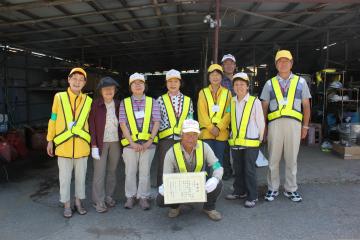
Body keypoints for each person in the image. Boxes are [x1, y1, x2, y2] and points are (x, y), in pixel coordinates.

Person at [260, 50, 311, 202]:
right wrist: (264, 128)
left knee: (291, 158)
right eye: (280, 61)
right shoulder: (269, 83)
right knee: (273, 158)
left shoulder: (301, 82)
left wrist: (305, 127)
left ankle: (291, 188)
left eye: (286, 61)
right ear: (276, 64)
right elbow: (264, 107)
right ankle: (272, 188)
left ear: (291, 63)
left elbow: (306, 106)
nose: (283, 63)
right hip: (275, 124)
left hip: (294, 124)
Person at [46, 67, 92, 218]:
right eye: (74, 78)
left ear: (84, 83)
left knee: (81, 177)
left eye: (81, 80)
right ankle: (66, 204)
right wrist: (49, 140)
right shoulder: (59, 97)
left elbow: (91, 123)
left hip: (82, 147)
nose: (77, 82)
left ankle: (78, 202)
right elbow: (53, 119)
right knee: (64, 178)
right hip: (64, 147)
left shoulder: (88, 101)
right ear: (69, 80)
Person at [157, 119, 223, 221]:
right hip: (180, 187)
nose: (191, 138)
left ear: (198, 136)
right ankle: (175, 207)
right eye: (187, 134)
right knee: (160, 200)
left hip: (199, 185)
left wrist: (215, 178)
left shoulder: (204, 147)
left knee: (218, 183)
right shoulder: (171, 152)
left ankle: (208, 208)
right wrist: (165, 186)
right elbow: (166, 175)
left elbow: (217, 165)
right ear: (181, 135)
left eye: (194, 135)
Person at [119, 72, 160, 210]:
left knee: (145, 172)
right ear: (130, 87)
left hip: (148, 144)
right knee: (130, 171)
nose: (138, 85)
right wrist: (131, 142)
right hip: (130, 145)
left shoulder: (152, 102)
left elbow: (156, 122)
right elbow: (123, 123)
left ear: (144, 86)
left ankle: (143, 197)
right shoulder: (124, 103)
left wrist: (149, 141)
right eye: (134, 83)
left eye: (140, 83)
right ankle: (130, 196)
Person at [225, 72, 265, 208]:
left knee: (249, 170)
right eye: (236, 84)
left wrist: (259, 140)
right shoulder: (232, 101)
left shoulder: (255, 102)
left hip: (251, 142)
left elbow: (261, 122)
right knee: (238, 168)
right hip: (236, 143)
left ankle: (252, 196)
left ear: (248, 86)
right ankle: (239, 191)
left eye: (242, 84)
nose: (239, 87)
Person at [156, 69, 194, 186]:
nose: (173, 84)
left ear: (180, 83)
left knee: (182, 165)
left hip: (184, 139)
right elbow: (156, 121)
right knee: (164, 165)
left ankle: (180, 192)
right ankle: (163, 192)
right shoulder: (160, 100)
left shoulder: (188, 100)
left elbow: (190, 119)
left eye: (175, 81)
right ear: (166, 83)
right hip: (165, 139)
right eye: (170, 81)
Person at [89, 77, 121, 213]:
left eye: (111, 88)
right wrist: (94, 145)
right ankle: (98, 201)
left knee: (112, 171)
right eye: (105, 89)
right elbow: (92, 126)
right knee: (99, 172)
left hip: (115, 142)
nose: (108, 91)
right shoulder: (95, 105)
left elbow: (124, 124)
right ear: (100, 91)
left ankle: (108, 196)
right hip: (101, 143)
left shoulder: (119, 104)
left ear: (115, 90)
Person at [197, 64, 231, 171]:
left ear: (222, 77)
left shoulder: (227, 93)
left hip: (221, 134)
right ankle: (207, 185)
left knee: (218, 161)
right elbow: (201, 112)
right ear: (209, 77)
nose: (215, 77)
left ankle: (216, 184)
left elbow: (229, 112)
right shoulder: (203, 93)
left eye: (218, 75)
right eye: (212, 75)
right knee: (207, 161)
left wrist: (219, 127)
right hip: (207, 133)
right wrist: (211, 128)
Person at [221, 53, 237, 180]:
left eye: (231, 63)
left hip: (239, 116)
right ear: (222, 66)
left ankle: (239, 169)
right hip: (225, 117)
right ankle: (227, 170)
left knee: (238, 144)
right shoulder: (219, 81)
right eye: (226, 63)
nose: (229, 65)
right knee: (225, 145)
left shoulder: (240, 79)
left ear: (235, 65)